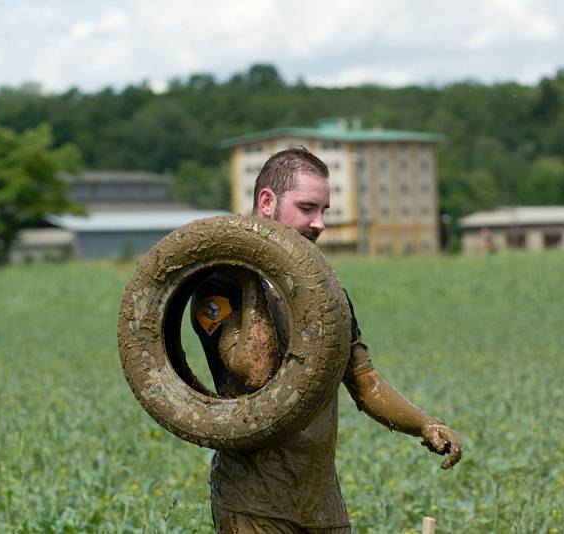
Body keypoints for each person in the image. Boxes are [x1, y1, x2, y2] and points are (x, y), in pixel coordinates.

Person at [191, 146, 462, 533]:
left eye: (324, 211)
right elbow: (253, 368)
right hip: (254, 504)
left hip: (322, 505)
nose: (319, 224)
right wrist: (252, 264)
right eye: (307, 208)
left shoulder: (325, 292)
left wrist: (425, 424)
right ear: (266, 202)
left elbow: (365, 381)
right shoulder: (219, 287)